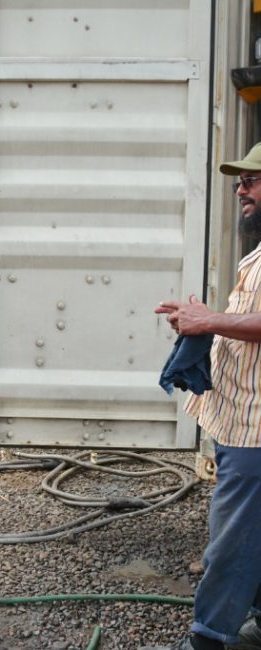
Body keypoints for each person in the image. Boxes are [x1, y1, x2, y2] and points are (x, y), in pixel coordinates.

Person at [141, 141, 261, 650]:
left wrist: (209, 320)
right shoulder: (257, 254)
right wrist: (203, 320)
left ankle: (208, 640)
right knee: (251, 532)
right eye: (239, 182)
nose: (240, 190)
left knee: (232, 542)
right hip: (239, 421)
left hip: (256, 432)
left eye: (251, 180)